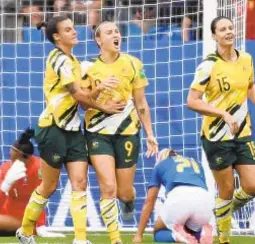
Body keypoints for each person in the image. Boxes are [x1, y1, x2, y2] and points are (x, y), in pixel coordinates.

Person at [16, 16, 124, 244]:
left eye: (74, 28)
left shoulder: (74, 60)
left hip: (74, 129)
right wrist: (104, 105)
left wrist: (99, 88)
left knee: (80, 182)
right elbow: (77, 94)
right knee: (49, 185)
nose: (74, 32)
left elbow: (83, 101)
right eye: (68, 29)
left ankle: (80, 239)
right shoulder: (59, 60)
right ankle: (25, 230)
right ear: (57, 36)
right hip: (52, 128)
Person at [187, 16, 255, 244]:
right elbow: (192, 101)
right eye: (222, 29)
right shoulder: (208, 65)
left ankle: (222, 212)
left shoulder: (246, 58)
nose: (228, 32)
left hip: (242, 132)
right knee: (226, 190)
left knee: (253, 186)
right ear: (214, 36)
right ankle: (223, 238)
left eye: (231, 28)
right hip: (216, 136)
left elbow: (250, 84)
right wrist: (222, 113)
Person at [81, 21, 158, 244]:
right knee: (108, 187)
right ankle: (115, 239)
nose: (116, 35)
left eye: (117, 31)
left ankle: (128, 202)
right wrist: (99, 88)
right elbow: (84, 105)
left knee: (124, 192)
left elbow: (141, 102)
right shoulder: (88, 68)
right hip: (98, 132)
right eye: (109, 32)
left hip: (127, 132)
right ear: (98, 40)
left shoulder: (133, 64)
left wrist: (150, 134)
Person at [132, 148, 213, 244]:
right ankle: (201, 234)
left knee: (158, 232)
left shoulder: (160, 165)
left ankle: (176, 236)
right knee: (192, 230)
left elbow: (149, 202)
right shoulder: (196, 163)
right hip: (204, 200)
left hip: (179, 196)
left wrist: (139, 234)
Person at [0, 128, 64, 238]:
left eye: (15, 160)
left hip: (24, 220)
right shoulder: (5, 169)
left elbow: (41, 197)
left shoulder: (39, 168)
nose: (12, 163)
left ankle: (29, 228)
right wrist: (5, 185)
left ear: (28, 158)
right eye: (11, 159)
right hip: (4, 218)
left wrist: (40, 226)